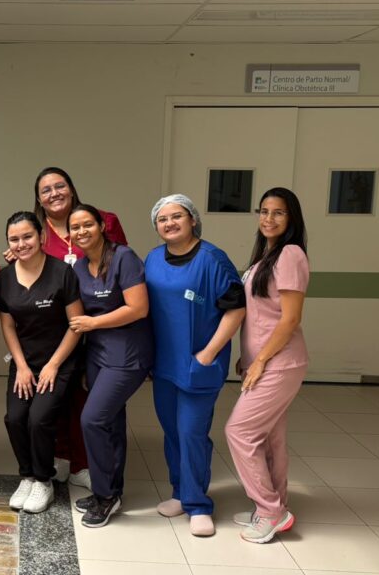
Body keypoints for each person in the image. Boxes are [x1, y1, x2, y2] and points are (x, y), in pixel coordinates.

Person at [144, 194, 245, 537]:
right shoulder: (152, 259)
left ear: (193, 220)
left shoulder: (212, 259)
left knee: (191, 433)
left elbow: (236, 309)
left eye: (177, 216)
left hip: (198, 362)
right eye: (162, 219)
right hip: (163, 363)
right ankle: (180, 492)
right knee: (172, 431)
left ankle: (199, 504)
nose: (169, 223)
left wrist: (208, 353)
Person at [25, 167, 129, 488]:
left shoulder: (103, 220)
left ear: (71, 189)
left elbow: (121, 266)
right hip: (58, 327)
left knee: (89, 395)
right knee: (57, 392)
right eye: (46, 190)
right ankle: (60, 456)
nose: (54, 193)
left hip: (100, 323)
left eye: (60, 186)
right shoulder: (37, 233)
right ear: (38, 199)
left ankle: (86, 464)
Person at [225, 188, 309, 544]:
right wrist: (248, 356)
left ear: (292, 219)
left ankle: (271, 510)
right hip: (266, 361)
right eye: (264, 211)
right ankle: (272, 508)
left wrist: (259, 361)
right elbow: (262, 315)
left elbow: (290, 319)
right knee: (271, 439)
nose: (269, 219)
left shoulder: (290, 254)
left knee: (239, 432)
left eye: (278, 213)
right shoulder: (267, 256)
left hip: (279, 363)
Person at [65, 205, 152, 528]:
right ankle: (112, 491)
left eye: (87, 224)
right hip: (98, 354)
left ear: (102, 226)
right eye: (75, 227)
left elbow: (138, 308)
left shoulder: (124, 258)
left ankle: (104, 495)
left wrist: (93, 322)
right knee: (112, 423)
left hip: (127, 355)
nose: (81, 231)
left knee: (93, 419)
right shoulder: (79, 267)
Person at [0, 212, 83, 514]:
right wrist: (20, 366)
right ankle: (28, 476)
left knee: (39, 419)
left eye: (27, 236)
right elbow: (7, 325)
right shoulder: (5, 278)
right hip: (25, 361)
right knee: (15, 419)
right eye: (14, 239)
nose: (21, 244)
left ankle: (44, 480)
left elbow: (76, 325)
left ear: (41, 237)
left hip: (59, 360)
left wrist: (53, 365)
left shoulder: (62, 272)